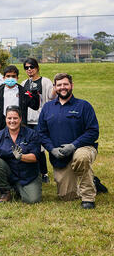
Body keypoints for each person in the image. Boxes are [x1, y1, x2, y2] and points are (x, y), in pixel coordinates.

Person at [37, 73, 100, 209]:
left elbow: (93, 132)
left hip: (83, 148)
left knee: (81, 158)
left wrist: (73, 145)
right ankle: (93, 181)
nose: (62, 87)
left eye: (65, 84)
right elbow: (41, 133)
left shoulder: (83, 106)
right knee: (67, 196)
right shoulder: (47, 108)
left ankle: (88, 197)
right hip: (60, 156)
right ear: (54, 87)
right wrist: (51, 149)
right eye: (59, 85)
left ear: (71, 85)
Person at [0, 106, 42, 204]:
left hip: (28, 175)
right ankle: (5, 191)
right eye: (9, 118)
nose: (12, 121)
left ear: (20, 119)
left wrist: (21, 157)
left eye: (15, 118)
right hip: (9, 173)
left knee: (32, 200)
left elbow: (35, 157)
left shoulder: (31, 134)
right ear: (5, 119)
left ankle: (18, 188)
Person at [21, 57, 56, 183]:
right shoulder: (24, 83)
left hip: (40, 119)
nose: (29, 70)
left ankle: (44, 173)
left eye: (32, 67)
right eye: (26, 68)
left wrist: (55, 88)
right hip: (26, 120)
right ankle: (32, 172)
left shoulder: (45, 81)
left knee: (40, 147)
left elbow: (51, 97)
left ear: (37, 68)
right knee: (28, 147)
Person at [0, 65, 39, 132]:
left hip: (20, 124)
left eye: (13, 76)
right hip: (2, 125)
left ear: (17, 78)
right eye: (8, 76)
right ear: (4, 78)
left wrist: (34, 92)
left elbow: (35, 106)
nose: (10, 78)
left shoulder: (23, 91)